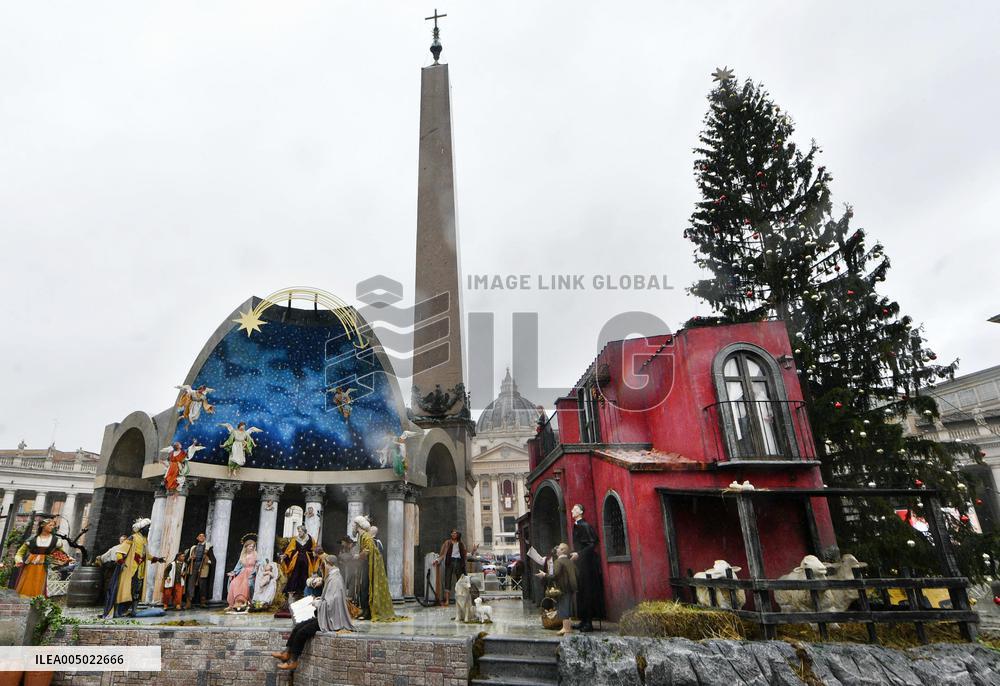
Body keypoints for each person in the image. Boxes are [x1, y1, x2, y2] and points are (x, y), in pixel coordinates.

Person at [272, 554, 356, 671]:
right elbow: (329, 597)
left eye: (325, 564)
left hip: (329, 619)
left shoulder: (335, 579)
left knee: (303, 632)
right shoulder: (332, 576)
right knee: (298, 626)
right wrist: (319, 599)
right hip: (324, 614)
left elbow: (333, 602)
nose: (324, 567)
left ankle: (293, 661)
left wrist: (318, 603)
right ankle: (286, 653)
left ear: (329, 564)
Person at [104, 518, 163, 617]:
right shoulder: (133, 538)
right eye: (147, 528)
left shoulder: (144, 540)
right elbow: (121, 551)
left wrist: (157, 559)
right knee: (123, 590)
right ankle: (117, 612)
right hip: (129, 569)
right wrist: (121, 561)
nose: (148, 530)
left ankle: (133, 611)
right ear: (142, 528)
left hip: (139, 570)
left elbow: (146, 555)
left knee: (136, 591)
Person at [351, 516, 395, 621]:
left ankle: (368, 612)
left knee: (365, 588)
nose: (352, 526)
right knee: (362, 588)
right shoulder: (361, 536)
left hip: (368, 566)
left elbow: (367, 551)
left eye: (354, 524)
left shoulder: (366, 536)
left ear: (358, 526)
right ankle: (364, 609)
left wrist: (358, 556)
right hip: (363, 566)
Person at [570, 504, 603, 632]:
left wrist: (578, 554)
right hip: (581, 563)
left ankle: (588, 622)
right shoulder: (578, 525)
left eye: (575, 509)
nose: (572, 511)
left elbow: (591, 544)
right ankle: (583, 620)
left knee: (587, 592)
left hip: (588, 565)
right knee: (582, 591)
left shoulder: (585, 525)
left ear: (581, 512)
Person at [535, 542, 577, 636]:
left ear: (562, 551)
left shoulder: (558, 562)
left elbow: (554, 576)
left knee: (563, 607)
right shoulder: (569, 561)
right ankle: (566, 627)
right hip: (570, 587)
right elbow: (576, 573)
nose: (556, 550)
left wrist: (544, 575)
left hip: (562, 588)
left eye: (558, 548)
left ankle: (566, 629)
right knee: (568, 606)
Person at [14, 519, 60, 597]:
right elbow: (20, 553)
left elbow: (60, 554)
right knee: (27, 586)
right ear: (43, 525)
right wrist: (19, 560)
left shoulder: (55, 540)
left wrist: (66, 558)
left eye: (53, 526)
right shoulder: (32, 539)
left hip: (44, 568)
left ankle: (38, 603)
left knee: (40, 585)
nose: (52, 527)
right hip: (29, 567)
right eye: (50, 525)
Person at [433, 530, 469, 607]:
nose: (453, 534)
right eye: (452, 533)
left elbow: (465, 554)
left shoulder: (461, 544)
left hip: (459, 562)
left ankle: (461, 599)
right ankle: (447, 600)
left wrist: (473, 552)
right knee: (447, 580)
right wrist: (437, 560)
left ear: (458, 534)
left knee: (460, 581)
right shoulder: (447, 543)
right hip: (450, 562)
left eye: (455, 533)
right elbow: (442, 554)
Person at [281, 525, 315, 600]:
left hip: (306, 561)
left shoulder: (310, 539)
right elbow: (289, 549)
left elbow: (314, 549)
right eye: (298, 531)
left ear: (304, 531)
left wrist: (313, 553)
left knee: (305, 575)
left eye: (300, 531)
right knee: (295, 575)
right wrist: (286, 555)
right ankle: (293, 592)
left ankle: (305, 592)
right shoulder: (295, 539)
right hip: (297, 560)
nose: (299, 533)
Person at [184, 532, 216, 609]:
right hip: (193, 566)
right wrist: (190, 558)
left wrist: (208, 561)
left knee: (203, 584)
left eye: (203, 536)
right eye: (200, 536)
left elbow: (212, 559)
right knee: (190, 584)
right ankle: (189, 602)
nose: (201, 537)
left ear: (205, 538)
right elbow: (186, 559)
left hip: (203, 567)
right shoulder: (193, 547)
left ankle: (203, 601)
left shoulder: (208, 547)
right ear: (197, 538)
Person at [227, 534, 258, 610]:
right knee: (234, 582)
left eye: (252, 546)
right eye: (249, 546)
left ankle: (242, 602)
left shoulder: (255, 554)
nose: (251, 548)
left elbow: (260, 562)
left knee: (245, 583)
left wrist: (257, 568)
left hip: (252, 573)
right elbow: (238, 566)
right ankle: (236, 602)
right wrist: (233, 572)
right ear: (246, 547)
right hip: (243, 572)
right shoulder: (243, 555)